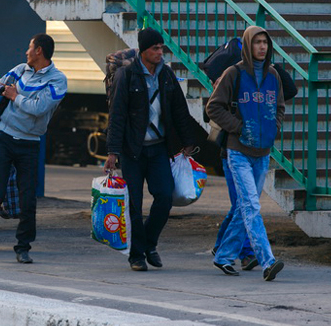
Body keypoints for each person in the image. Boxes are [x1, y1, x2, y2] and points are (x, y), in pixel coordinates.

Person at [0, 33, 67, 264]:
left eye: (29, 47)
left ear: (39, 51)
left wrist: (15, 96)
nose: (26, 52)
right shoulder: (20, 70)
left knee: (28, 199)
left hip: (29, 143)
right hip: (3, 138)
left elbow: (39, 108)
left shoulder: (58, 80)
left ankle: (23, 246)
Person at [104, 28, 198, 272]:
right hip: (132, 151)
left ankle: (149, 243)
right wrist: (113, 152)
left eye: (161, 48)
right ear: (144, 51)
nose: (160, 52)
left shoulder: (166, 75)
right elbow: (117, 116)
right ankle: (137, 256)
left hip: (158, 149)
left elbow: (179, 109)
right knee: (134, 204)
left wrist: (188, 141)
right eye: (155, 48)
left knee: (165, 197)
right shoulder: (126, 76)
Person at [206, 25, 285, 281]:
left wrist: (274, 128)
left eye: (265, 42)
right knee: (251, 204)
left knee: (244, 206)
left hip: (262, 152)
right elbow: (214, 107)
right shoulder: (234, 73)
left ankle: (224, 256)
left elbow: (280, 106)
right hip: (238, 152)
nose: (262, 47)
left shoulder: (273, 75)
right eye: (257, 42)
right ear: (248, 45)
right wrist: (238, 127)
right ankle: (267, 260)